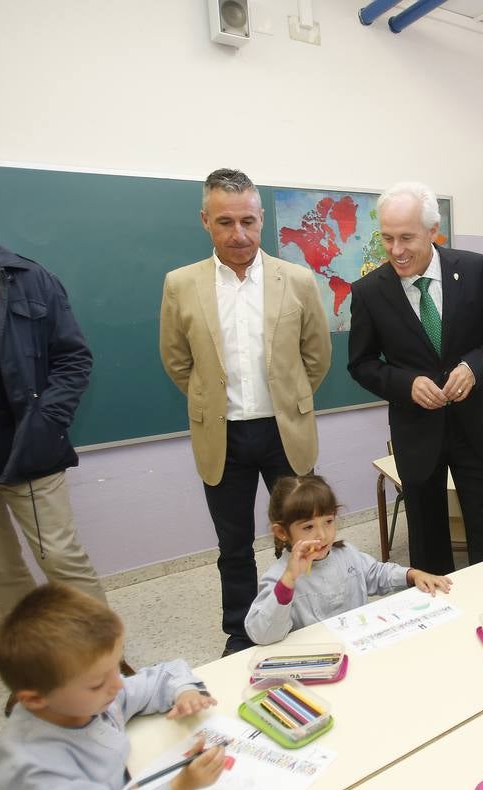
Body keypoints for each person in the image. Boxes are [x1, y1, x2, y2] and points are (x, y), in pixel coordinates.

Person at [160, 167, 332, 655]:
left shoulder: (296, 280)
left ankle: (303, 614)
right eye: (225, 222)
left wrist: (292, 399)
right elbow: (177, 361)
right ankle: (240, 631)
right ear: (205, 222)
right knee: (233, 544)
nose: (239, 234)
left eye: (249, 222)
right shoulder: (180, 284)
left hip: (286, 432)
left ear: (262, 220)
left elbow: (316, 357)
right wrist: (208, 401)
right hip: (223, 436)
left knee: (302, 534)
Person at [0, 163, 108, 615]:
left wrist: (45, 424)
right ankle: (37, 669)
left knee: (61, 560)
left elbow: (73, 358)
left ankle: (104, 671)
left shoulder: (22, 278)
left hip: (22, 441)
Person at [0, 583, 226, 790]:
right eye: (100, 681)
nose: (118, 685)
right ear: (34, 699)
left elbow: (160, 677)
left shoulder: (82, 699)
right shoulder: (35, 772)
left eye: (116, 667)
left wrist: (185, 692)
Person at [348, 182, 483, 577]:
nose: (396, 250)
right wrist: (406, 384)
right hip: (417, 435)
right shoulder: (369, 292)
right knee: (426, 536)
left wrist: (472, 368)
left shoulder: (474, 269)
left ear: (433, 231)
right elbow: (362, 363)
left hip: (473, 427)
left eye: (407, 237)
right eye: (387, 238)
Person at [245, 474, 451, 644]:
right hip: (318, 661)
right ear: (282, 532)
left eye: (328, 522)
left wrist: (411, 574)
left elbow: (377, 574)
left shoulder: (346, 554)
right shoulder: (278, 579)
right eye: (308, 527)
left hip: (359, 645)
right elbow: (262, 635)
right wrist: (289, 580)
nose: (323, 535)